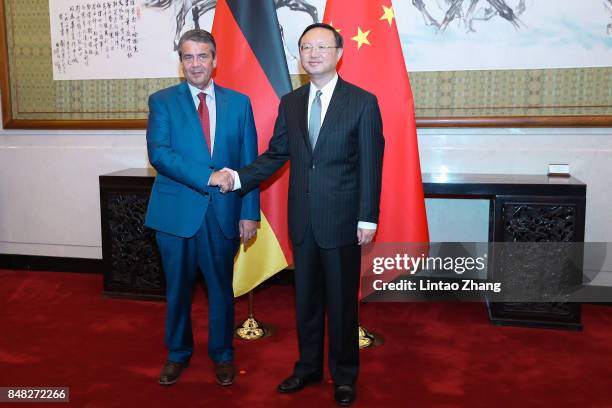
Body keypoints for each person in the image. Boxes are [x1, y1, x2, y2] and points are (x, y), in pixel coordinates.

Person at [212, 23, 384, 406]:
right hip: (303, 221)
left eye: (322, 46)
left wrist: (367, 217)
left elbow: (372, 164)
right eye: (306, 47)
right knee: (305, 300)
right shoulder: (290, 102)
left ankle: (344, 376)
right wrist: (238, 176)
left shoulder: (362, 102)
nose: (314, 53)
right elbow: (276, 155)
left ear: (340, 52)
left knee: (341, 304)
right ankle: (307, 367)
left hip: (342, 221)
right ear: (300, 55)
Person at [144, 29, 260, 387]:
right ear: (181, 62)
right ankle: (177, 353)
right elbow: (160, 154)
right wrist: (208, 177)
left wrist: (249, 212)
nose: (195, 64)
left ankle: (223, 354)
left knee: (221, 291)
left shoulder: (239, 103)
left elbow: (249, 162)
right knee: (177, 290)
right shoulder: (162, 101)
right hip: (175, 216)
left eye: (202, 56)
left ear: (215, 60)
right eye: (188, 57)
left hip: (224, 214)